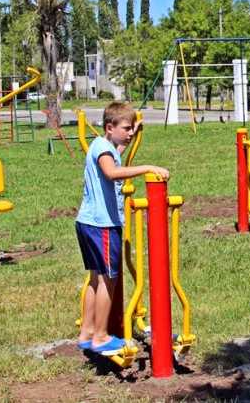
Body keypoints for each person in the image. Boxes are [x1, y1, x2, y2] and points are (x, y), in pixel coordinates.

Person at [75, 101, 169, 356]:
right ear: (109, 127)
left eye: (131, 129)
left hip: (88, 222)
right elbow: (112, 173)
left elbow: (116, 151)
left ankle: (87, 333)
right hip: (102, 224)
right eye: (125, 128)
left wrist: (133, 131)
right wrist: (149, 167)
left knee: (96, 279)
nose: (129, 133)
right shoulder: (104, 151)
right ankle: (101, 336)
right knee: (108, 279)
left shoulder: (103, 145)